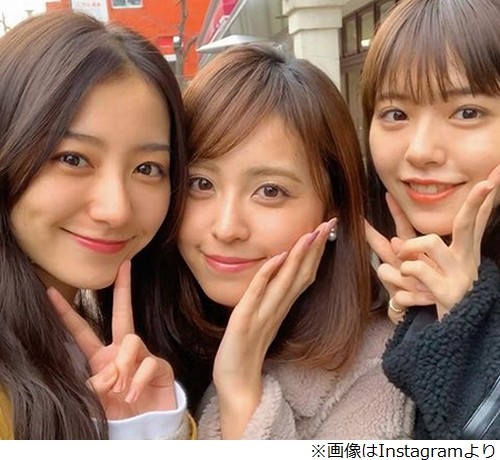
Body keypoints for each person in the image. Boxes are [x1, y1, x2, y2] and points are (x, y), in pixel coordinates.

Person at [164, 43, 413, 440]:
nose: (226, 228)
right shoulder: (137, 335)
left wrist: (242, 390)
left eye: (270, 191)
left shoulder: (377, 370)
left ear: (332, 208)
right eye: (201, 183)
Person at [0, 11, 193, 439]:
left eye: (147, 168)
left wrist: (145, 429)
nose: (116, 210)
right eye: (73, 159)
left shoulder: (115, 346)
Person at [361, 0, 500, 439]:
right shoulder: (361, 273)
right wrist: (414, 316)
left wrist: (467, 320)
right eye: (396, 114)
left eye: (467, 112)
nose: (420, 150)